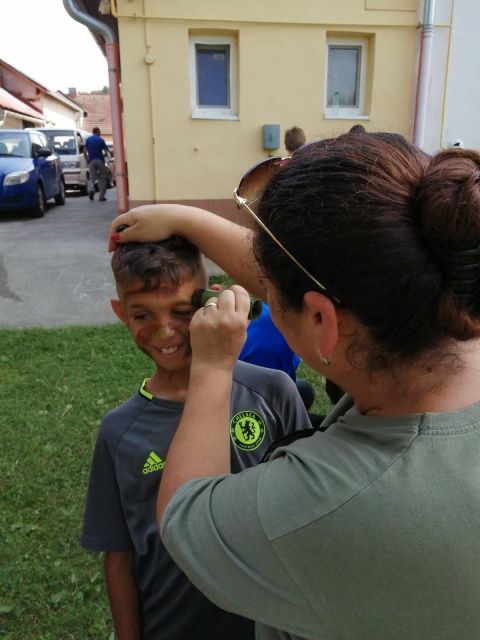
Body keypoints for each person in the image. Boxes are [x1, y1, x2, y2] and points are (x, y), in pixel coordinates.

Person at [108, 132, 480, 639]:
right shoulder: (453, 313)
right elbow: (326, 283)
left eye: (272, 291)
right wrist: (185, 219)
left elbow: (184, 514)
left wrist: (212, 367)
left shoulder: (327, 505)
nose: (262, 290)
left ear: (322, 321)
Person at [80, 237, 310, 640]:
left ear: (211, 303)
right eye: (142, 314)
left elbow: (309, 512)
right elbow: (119, 556)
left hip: (269, 625)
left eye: (181, 311)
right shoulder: (119, 431)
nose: (165, 330)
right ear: (121, 313)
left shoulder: (273, 393)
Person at [84, 126, 108, 202]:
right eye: (99, 131)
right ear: (97, 132)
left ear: (93, 132)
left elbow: (84, 151)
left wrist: (87, 159)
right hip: (100, 160)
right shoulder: (101, 140)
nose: (100, 133)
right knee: (102, 178)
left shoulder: (88, 140)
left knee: (91, 177)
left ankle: (91, 190)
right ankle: (101, 196)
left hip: (91, 160)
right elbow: (106, 152)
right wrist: (103, 156)